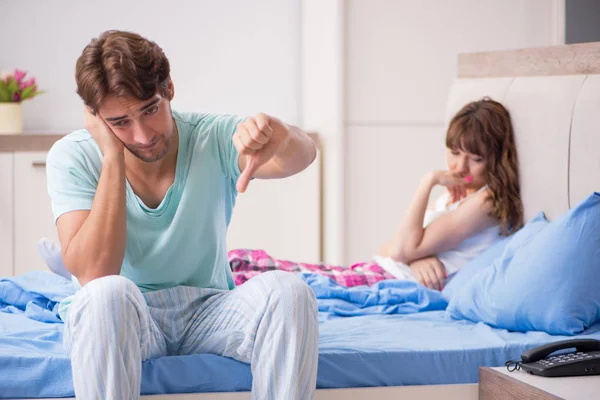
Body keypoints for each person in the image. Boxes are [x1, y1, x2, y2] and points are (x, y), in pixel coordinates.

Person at [46, 30, 319, 400]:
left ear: (169, 89)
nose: (142, 135)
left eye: (149, 110)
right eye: (120, 122)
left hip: (209, 309)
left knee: (290, 292)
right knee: (104, 294)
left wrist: (283, 135)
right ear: (96, 118)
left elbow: (302, 157)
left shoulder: (214, 136)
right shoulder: (73, 156)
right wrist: (112, 156)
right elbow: (95, 272)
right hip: (129, 313)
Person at [230, 98, 523, 291]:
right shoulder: (457, 193)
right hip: (383, 270)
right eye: (455, 153)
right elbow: (391, 248)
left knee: (264, 282)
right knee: (243, 262)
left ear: (497, 158)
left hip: (393, 283)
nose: (460, 166)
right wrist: (415, 258)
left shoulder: (487, 200)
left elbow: (399, 250)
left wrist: (428, 180)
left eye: (476, 158)